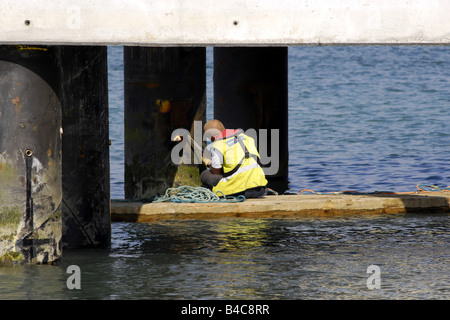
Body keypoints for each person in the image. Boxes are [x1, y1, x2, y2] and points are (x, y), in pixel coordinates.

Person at [200, 119, 267, 198]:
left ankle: (212, 192)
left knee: (205, 175)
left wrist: (209, 164)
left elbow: (216, 173)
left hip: (240, 190)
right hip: (260, 188)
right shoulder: (247, 137)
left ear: (212, 137)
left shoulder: (218, 145)